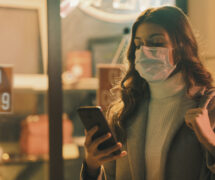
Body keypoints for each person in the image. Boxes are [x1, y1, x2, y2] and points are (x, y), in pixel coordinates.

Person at [80, 6, 215, 180]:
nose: (145, 51)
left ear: (182, 47)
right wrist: (92, 166)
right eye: (138, 44)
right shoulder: (124, 112)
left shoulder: (208, 107)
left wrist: (210, 141)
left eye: (157, 42)